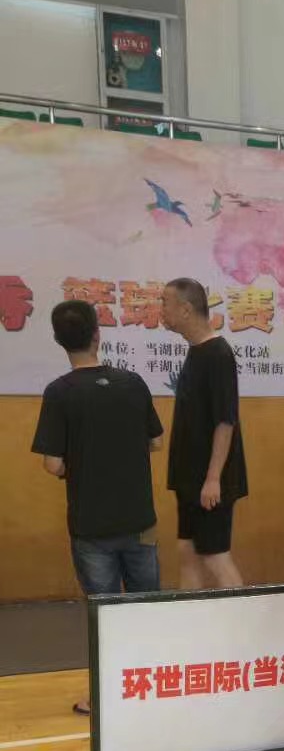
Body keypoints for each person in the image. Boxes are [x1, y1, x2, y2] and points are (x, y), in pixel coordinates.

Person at [31, 299, 163, 714]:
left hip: (91, 526)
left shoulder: (59, 392)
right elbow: (156, 441)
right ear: (97, 334)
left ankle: (106, 697)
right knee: (147, 607)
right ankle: (152, 687)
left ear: (58, 340)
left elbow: (53, 464)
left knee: (103, 615)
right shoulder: (133, 383)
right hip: (140, 520)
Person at [161, 277, 247, 589]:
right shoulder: (196, 351)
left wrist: (212, 479)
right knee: (187, 551)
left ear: (185, 310)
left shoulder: (218, 354)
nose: (161, 311)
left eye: (165, 304)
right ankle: (191, 616)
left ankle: (242, 618)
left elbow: (225, 421)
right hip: (190, 477)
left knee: (215, 555)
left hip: (211, 480)